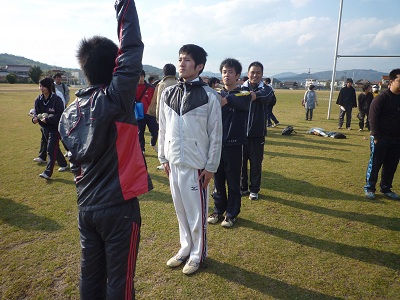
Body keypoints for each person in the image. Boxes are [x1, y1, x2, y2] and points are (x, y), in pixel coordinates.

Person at [58, 1, 151, 299]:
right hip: (118, 208)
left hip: (86, 209)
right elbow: (132, 47)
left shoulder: (68, 113)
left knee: (91, 277)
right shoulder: (115, 99)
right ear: (114, 67)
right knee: (119, 282)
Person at [158, 44, 222, 275]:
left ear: (199, 66)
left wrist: (211, 166)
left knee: (197, 214)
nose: (181, 63)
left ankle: (197, 254)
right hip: (173, 163)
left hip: (197, 166)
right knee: (181, 210)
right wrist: (163, 156)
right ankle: (185, 248)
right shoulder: (168, 93)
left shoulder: (209, 96)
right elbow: (162, 128)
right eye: (180, 59)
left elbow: (216, 134)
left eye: (187, 60)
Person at [208, 58, 255, 228]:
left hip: (235, 144)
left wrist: (226, 99)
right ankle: (218, 210)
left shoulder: (243, 93)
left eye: (230, 72)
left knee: (233, 181)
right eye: (224, 72)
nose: (227, 75)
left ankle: (231, 214)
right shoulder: (216, 94)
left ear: (237, 75)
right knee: (218, 180)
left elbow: (244, 101)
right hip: (216, 144)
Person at [240, 62, 275, 200]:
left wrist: (243, 95)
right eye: (252, 72)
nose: (255, 75)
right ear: (248, 73)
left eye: (258, 72)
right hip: (240, 133)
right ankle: (242, 188)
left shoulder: (267, 89)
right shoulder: (240, 87)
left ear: (262, 74)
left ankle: (254, 189)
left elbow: (263, 96)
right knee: (241, 163)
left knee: (255, 163)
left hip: (257, 134)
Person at [364, 68, 400, 200]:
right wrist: (376, 136)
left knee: (391, 165)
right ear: (391, 82)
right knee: (375, 164)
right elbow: (372, 118)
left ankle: (386, 188)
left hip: (396, 139)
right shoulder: (381, 98)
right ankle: (369, 188)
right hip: (381, 138)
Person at [32, 77, 68, 178]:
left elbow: (60, 115)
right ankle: (63, 164)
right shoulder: (38, 100)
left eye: (43, 86)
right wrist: (35, 119)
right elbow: (36, 113)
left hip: (55, 128)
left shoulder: (56, 100)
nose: (41, 88)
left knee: (51, 149)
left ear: (49, 87)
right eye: (40, 86)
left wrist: (48, 120)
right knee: (54, 147)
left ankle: (48, 173)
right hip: (44, 128)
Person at [147, 63, 177, 170]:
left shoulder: (162, 84)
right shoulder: (178, 83)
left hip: (165, 116)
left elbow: (159, 102)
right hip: (177, 116)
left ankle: (165, 160)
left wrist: (158, 117)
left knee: (164, 138)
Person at [136, 70, 158, 153]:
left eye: (141, 76)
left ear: (144, 76)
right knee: (140, 133)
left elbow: (155, 100)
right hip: (139, 114)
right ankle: (142, 149)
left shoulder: (150, 87)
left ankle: (153, 143)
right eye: (138, 76)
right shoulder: (134, 87)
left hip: (150, 114)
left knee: (155, 131)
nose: (140, 78)